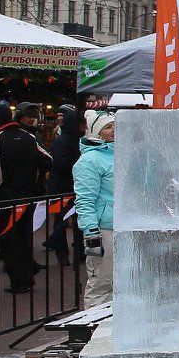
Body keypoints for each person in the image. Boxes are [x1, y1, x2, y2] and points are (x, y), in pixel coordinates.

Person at [0, 102, 51, 295]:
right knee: (23, 236)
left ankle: (18, 281)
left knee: (9, 239)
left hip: (6, 196)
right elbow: (48, 159)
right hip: (27, 195)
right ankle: (27, 276)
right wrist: (35, 178)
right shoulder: (29, 137)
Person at [74, 112, 116, 307]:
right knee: (102, 282)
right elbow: (85, 200)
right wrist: (91, 232)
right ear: (96, 132)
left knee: (120, 282)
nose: (114, 130)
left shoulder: (121, 154)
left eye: (115, 125)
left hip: (123, 225)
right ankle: (93, 328)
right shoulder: (89, 161)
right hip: (104, 228)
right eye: (108, 127)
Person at [45, 106, 83, 262]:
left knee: (75, 221)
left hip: (70, 186)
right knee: (61, 221)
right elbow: (61, 164)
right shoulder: (64, 141)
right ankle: (63, 254)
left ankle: (77, 252)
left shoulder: (74, 139)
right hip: (63, 187)